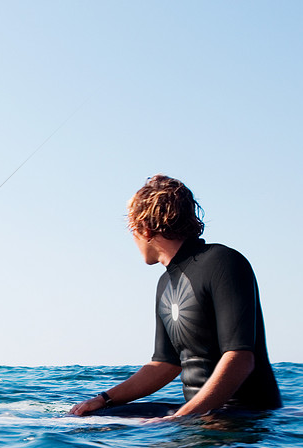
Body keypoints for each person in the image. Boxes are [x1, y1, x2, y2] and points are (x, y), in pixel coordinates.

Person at [70, 175, 281, 419]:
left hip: (244, 415)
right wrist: (102, 400)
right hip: (199, 415)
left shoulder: (223, 263)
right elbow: (165, 364)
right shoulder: (165, 284)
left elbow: (240, 358)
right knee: (86, 419)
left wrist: (181, 418)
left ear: (145, 229)